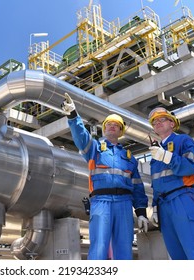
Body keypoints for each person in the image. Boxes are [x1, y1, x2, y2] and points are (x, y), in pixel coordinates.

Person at [61, 93, 149, 260]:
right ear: (104, 128)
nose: (112, 126)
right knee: (99, 248)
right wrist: (73, 115)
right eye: (109, 124)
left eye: (116, 125)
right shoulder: (95, 148)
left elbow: (137, 187)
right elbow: (81, 137)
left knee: (124, 248)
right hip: (101, 202)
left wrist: (142, 212)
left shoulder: (130, 158)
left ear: (121, 131)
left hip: (124, 204)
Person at [148, 107, 194, 260]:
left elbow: (190, 166)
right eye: (155, 122)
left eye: (162, 119)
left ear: (172, 123)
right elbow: (157, 183)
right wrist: (155, 207)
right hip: (163, 206)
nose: (158, 123)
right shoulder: (156, 153)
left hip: (182, 199)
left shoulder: (183, 140)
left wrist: (166, 156)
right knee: (176, 256)